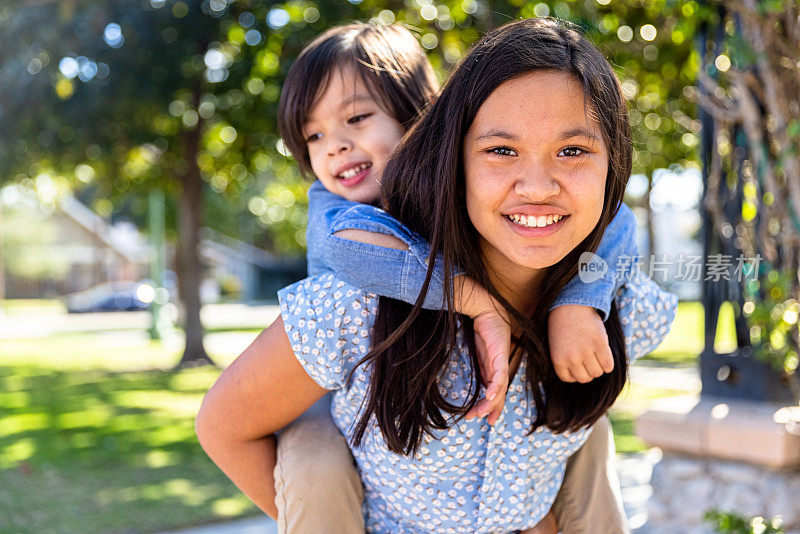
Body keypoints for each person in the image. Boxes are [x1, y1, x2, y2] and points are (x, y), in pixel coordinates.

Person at [196, 18, 677, 533]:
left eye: (573, 151)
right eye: (501, 149)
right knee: (312, 460)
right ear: (451, 154)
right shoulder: (356, 296)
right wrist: (477, 301)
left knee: (593, 434)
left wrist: (583, 298)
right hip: (338, 413)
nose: (537, 185)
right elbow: (227, 427)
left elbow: (618, 221)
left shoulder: (622, 309)